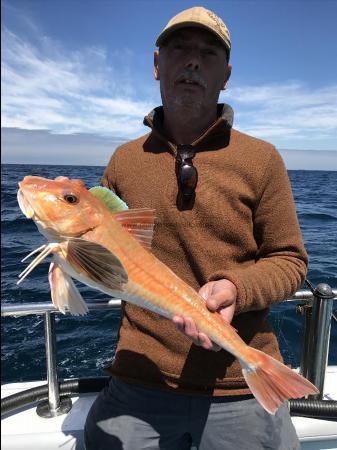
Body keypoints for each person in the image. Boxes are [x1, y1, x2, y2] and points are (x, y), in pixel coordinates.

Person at [84, 6, 307, 450]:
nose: (191, 62)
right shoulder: (123, 161)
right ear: (156, 65)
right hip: (139, 378)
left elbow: (290, 260)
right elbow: (105, 258)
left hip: (238, 383)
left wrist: (235, 289)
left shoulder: (262, 159)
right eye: (179, 49)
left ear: (226, 75)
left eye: (207, 54)